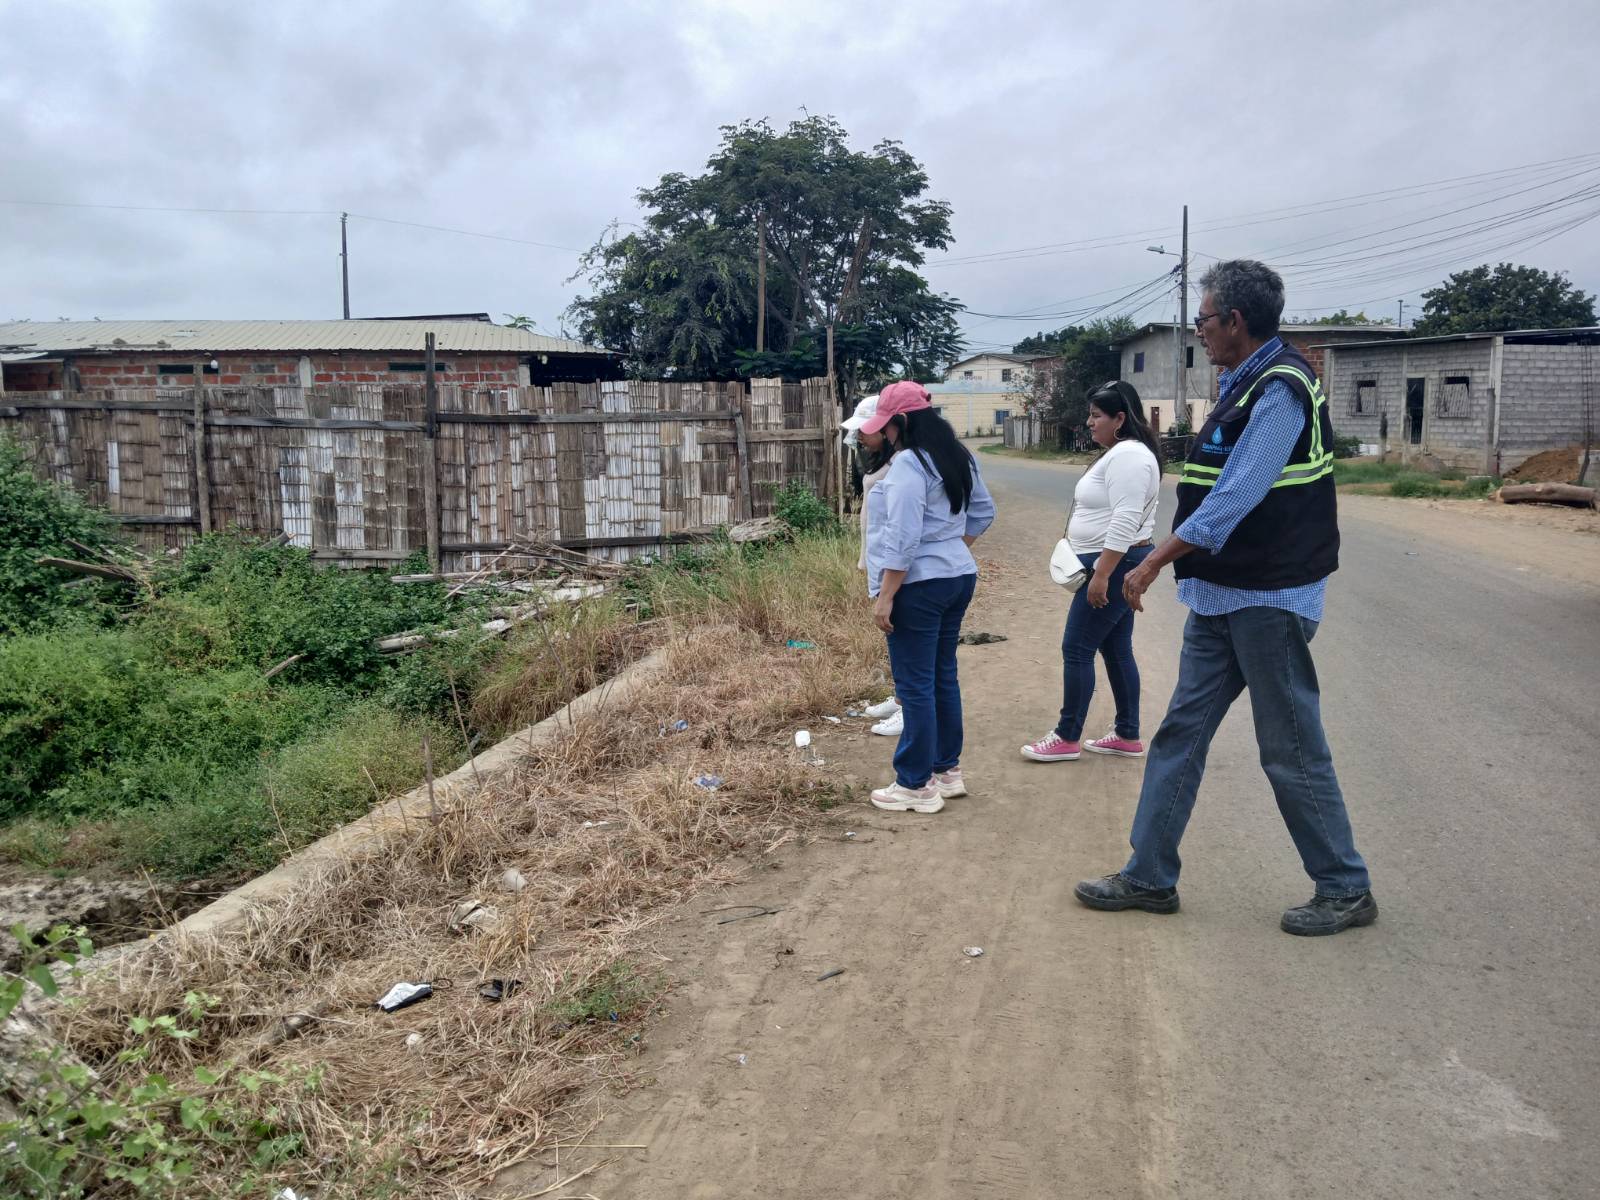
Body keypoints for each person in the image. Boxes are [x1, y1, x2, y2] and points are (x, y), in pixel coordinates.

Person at [1074, 259, 1377, 937]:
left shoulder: (1281, 388)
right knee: (1180, 733)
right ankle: (1149, 875)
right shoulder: (1243, 383)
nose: (1199, 331)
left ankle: (1345, 886)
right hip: (1221, 596)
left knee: (1289, 746)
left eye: (1204, 320)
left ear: (1235, 321)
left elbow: (1236, 495)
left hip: (1270, 597)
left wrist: (1154, 561)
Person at [860, 381, 996, 814]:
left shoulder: (908, 464)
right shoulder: (957, 455)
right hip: (957, 576)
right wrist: (951, 547)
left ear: (902, 422)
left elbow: (902, 537)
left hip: (918, 585)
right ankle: (946, 771)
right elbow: (984, 511)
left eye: (887, 425)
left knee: (915, 683)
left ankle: (915, 784)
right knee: (942, 675)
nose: (885, 434)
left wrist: (886, 595)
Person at [1021, 381, 1162, 764]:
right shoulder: (1121, 453)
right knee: (1115, 648)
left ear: (1120, 418)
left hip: (1114, 565)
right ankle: (1127, 734)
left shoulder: (1129, 456)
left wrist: (1102, 574)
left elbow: (1126, 519)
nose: (1089, 422)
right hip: (1116, 562)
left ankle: (1067, 736)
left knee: (1077, 648)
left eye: (1096, 416)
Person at [842, 393, 905, 738]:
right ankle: (900, 697)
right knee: (892, 634)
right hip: (880, 557)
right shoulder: (881, 458)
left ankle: (909, 707)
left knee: (901, 631)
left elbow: (901, 526)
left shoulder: (901, 464)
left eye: (865, 430)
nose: (859, 437)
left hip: (894, 562)